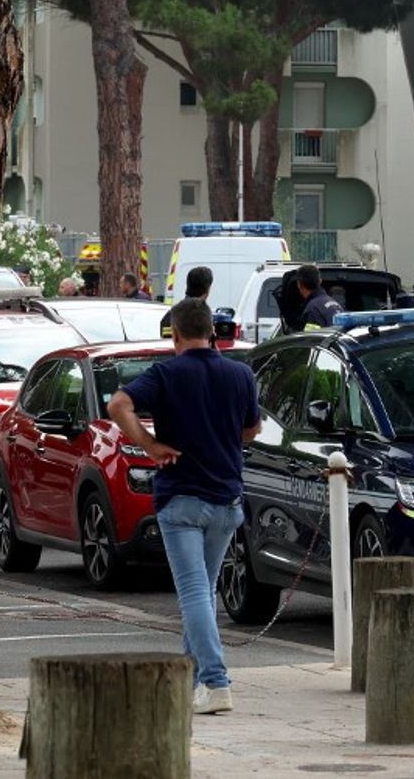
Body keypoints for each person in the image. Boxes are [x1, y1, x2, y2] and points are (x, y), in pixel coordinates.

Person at [108, 298, 258, 716]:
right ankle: (192, 680)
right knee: (204, 592)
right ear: (212, 331)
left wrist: (149, 444)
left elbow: (117, 405)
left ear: (174, 334)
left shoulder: (164, 373)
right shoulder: (241, 374)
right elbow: (251, 429)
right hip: (226, 498)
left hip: (181, 498)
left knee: (193, 592)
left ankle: (215, 680)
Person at [295, 263, 341, 329]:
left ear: (299, 284)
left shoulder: (312, 309)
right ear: (320, 281)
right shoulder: (333, 302)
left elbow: (312, 337)